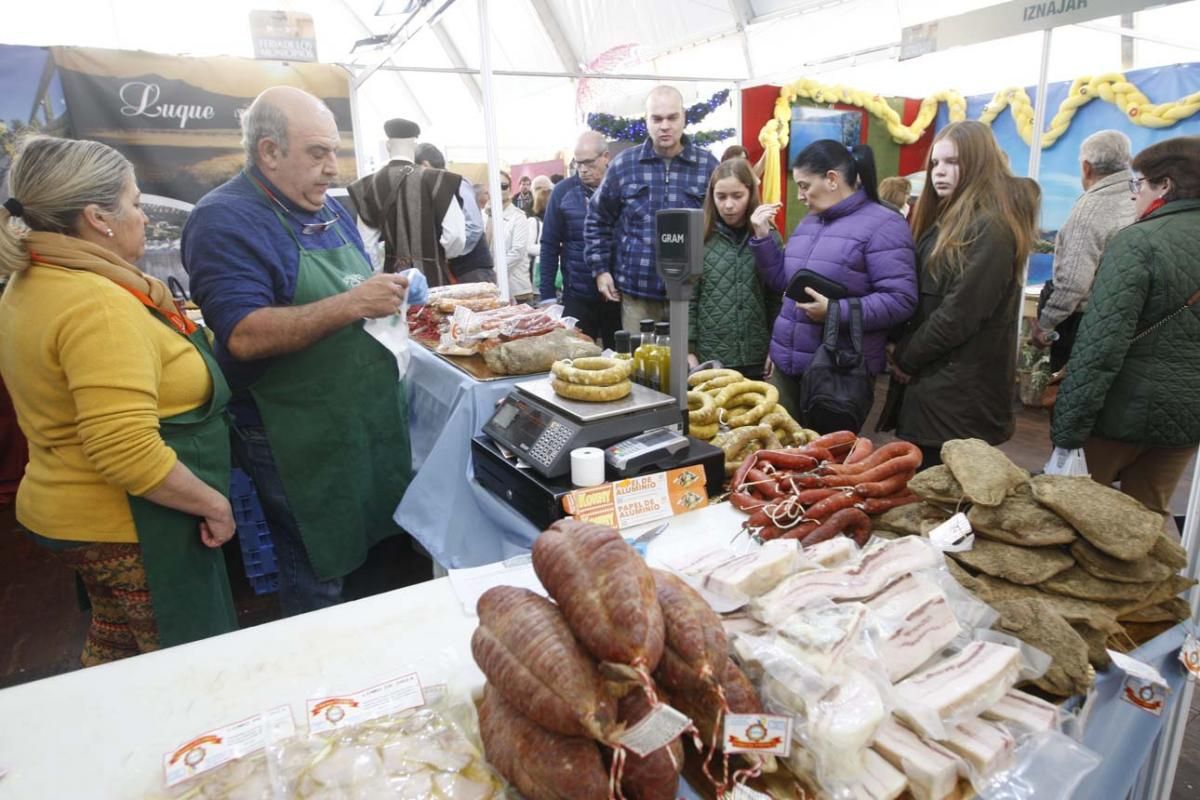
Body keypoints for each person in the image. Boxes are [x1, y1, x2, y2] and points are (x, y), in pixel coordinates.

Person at [0, 136, 238, 664]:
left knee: (118, 647)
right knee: (178, 667)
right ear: (97, 218)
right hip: (129, 523)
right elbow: (123, 447)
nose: (143, 218)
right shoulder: (97, 302)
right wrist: (213, 504)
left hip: (68, 509)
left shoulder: (34, 280)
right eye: (133, 203)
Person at [182, 86, 414, 616]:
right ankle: (320, 686)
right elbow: (242, 334)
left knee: (379, 546)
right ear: (268, 152)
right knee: (319, 567)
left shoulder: (329, 208)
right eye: (317, 153)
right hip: (295, 432)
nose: (332, 169)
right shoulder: (224, 219)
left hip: (363, 417)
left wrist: (383, 295)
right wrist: (353, 302)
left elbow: (352, 286)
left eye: (335, 152)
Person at [1051, 136, 1200, 519]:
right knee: (1144, 525)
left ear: (1164, 186)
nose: (1135, 195)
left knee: (1081, 520)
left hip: (1121, 413)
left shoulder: (1138, 242)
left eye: (1140, 183)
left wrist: (1066, 432)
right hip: (1187, 421)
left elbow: (1100, 347)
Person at [888, 121, 1037, 468]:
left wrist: (906, 357)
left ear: (979, 162)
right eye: (935, 164)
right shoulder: (949, 218)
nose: (939, 172)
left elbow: (960, 313)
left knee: (949, 503)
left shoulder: (990, 226)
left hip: (958, 394)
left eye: (952, 162)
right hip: (938, 387)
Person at [749, 140, 917, 423]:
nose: (800, 196)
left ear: (831, 179)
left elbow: (900, 299)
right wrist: (763, 238)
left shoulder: (884, 225)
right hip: (787, 367)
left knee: (827, 461)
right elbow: (786, 285)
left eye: (804, 185)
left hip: (837, 372)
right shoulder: (810, 223)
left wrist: (835, 311)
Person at [585, 85, 720, 331]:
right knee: (641, 367)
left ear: (684, 118)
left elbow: (721, 226)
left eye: (672, 117)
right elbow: (597, 219)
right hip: (638, 296)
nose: (665, 125)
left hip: (693, 295)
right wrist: (601, 270)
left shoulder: (708, 165)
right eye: (657, 119)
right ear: (646, 121)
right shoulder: (624, 165)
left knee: (688, 366)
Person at [1031, 130, 1136, 371]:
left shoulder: (1089, 211)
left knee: (1066, 392)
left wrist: (1046, 324)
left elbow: (1073, 284)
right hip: (1124, 318)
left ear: (1086, 168)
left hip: (1083, 324)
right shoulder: (1139, 197)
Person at [347, 118, 464, 285]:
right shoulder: (437, 180)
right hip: (434, 278)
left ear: (388, 146)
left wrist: (378, 272)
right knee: (434, 311)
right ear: (415, 146)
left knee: (397, 312)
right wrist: (440, 256)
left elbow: (366, 246)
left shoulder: (367, 186)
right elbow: (456, 236)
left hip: (392, 281)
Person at [688, 159, 776, 379]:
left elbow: (777, 297)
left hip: (756, 353)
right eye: (721, 197)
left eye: (737, 196)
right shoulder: (700, 236)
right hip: (712, 356)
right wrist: (688, 350)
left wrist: (778, 346)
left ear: (750, 194)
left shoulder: (768, 236)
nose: (728, 205)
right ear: (712, 196)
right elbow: (688, 297)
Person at [541, 130, 620, 347]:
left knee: (621, 360)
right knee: (577, 358)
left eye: (589, 163)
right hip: (578, 293)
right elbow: (549, 243)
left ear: (605, 157)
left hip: (619, 293)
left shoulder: (622, 188)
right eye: (578, 163)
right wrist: (546, 294)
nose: (583, 170)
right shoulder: (563, 192)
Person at [415, 143, 495, 284]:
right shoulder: (441, 186)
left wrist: (448, 252)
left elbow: (474, 227)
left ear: (425, 165)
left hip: (473, 269)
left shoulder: (455, 183)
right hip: (458, 269)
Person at [490, 170, 532, 303]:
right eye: (496, 186)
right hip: (492, 288)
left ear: (510, 188)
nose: (500, 190)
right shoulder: (486, 215)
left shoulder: (518, 217)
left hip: (516, 289)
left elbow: (517, 252)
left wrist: (494, 271)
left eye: (504, 186)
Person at [527, 175, 552, 297]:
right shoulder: (531, 219)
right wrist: (553, 247)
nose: (541, 192)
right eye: (537, 189)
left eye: (544, 189)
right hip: (538, 274)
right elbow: (529, 247)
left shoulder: (558, 218)